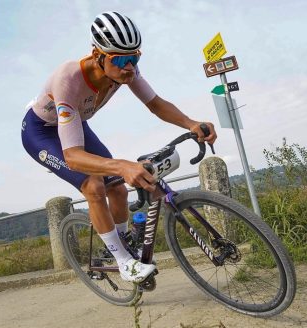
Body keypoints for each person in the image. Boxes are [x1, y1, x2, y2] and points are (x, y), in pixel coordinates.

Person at [21, 11, 217, 283]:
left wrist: (190, 123)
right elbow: (73, 156)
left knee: (118, 189)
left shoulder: (126, 72)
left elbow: (155, 104)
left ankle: (119, 242)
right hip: (41, 133)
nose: (129, 67)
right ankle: (124, 262)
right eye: (121, 60)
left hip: (76, 124)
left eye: (135, 58)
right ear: (97, 54)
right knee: (94, 186)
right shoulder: (68, 79)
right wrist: (123, 165)